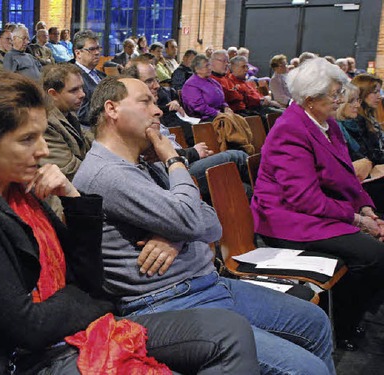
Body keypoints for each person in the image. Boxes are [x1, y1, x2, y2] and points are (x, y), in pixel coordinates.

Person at [0, 70, 261, 375]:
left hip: (72, 332)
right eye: (28, 139)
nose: (43, 150)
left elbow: (87, 276)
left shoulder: (23, 194)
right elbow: (28, 327)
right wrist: (94, 302)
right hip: (18, 359)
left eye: (43, 136)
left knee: (229, 331)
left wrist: (73, 198)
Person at [73, 75, 336, 375]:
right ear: (112, 109)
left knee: (315, 323)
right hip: (167, 302)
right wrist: (175, 161)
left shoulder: (142, 162)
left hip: (207, 283)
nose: (158, 110)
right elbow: (192, 218)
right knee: (307, 369)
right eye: (145, 101)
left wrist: (177, 237)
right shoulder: (107, 174)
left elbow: (211, 220)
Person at [251, 58, 384, 351]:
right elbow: (303, 198)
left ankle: (351, 313)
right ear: (310, 100)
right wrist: (356, 221)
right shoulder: (291, 129)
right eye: (334, 94)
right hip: (287, 219)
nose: (339, 100)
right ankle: (342, 325)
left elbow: (346, 175)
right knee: (373, 255)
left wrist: (365, 209)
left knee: (376, 239)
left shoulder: (328, 124)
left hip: (317, 210)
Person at [123, 58, 251, 201]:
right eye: (149, 81)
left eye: (156, 80)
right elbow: (157, 157)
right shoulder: (134, 118)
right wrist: (193, 152)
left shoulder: (153, 110)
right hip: (173, 172)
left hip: (182, 162)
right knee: (237, 157)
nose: (157, 85)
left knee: (242, 188)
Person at [337, 74, 384, 211]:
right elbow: (365, 157)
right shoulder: (350, 123)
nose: (379, 96)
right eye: (374, 92)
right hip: (358, 184)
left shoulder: (365, 118)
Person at [41, 63, 91, 180]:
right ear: (53, 94)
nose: (82, 94)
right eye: (74, 90)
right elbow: (70, 170)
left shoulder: (68, 112)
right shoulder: (45, 124)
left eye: (81, 88)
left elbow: (90, 141)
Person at [182, 54, 233, 121]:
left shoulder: (212, 81)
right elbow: (199, 107)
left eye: (209, 65)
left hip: (220, 115)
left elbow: (221, 100)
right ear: (197, 69)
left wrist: (226, 107)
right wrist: (218, 114)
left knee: (239, 120)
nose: (210, 68)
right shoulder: (191, 85)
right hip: (204, 119)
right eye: (206, 66)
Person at [72, 29, 105, 127]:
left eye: (98, 48)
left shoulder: (102, 75)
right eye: (92, 49)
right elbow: (81, 113)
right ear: (78, 53)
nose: (97, 53)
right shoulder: (73, 76)